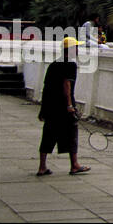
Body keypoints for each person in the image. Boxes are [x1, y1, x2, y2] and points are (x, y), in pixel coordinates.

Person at [37, 38, 88, 176]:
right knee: (71, 133)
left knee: (48, 135)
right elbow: (67, 85)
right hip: (63, 106)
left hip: (50, 106)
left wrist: (43, 109)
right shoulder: (70, 65)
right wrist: (70, 105)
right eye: (76, 48)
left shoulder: (54, 64)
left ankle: (42, 167)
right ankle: (75, 165)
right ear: (70, 49)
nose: (77, 50)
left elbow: (46, 87)